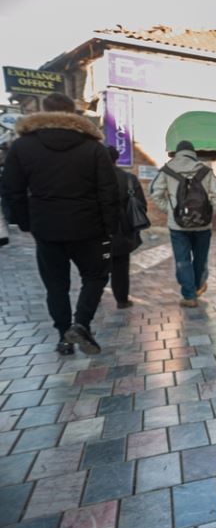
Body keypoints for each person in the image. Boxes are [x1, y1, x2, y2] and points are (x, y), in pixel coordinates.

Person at [0, 92, 118, 355]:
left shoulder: (22, 146)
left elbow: (11, 190)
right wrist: (110, 227)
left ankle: (64, 337)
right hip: (89, 227)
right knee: (96, 275)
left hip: (46, 228)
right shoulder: (93, 148)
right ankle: (81, 323)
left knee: (56, 285)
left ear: (43, 111)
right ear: (73, 113)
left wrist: (26, 223)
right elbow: (108, 192)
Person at [149, 140, 216, 308]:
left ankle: (189, 296)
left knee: (182, 260)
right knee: (200, 259)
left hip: (178, 226)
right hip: (203, 225)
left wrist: (170, 210)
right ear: (193, 153)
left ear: (177, 153)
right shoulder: (205, 171)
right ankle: (197, 287)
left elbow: (155, 193)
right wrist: (208, 214)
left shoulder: (167, 170)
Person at [108, 145, 147, 308]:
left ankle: (93, 296)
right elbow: (141, 205)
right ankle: (122, 300)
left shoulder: (88, 178)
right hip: (122, 230)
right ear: (116, 159)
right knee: (121, 266)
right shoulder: (128, 179)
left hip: (96, 230)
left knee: (94, 267)